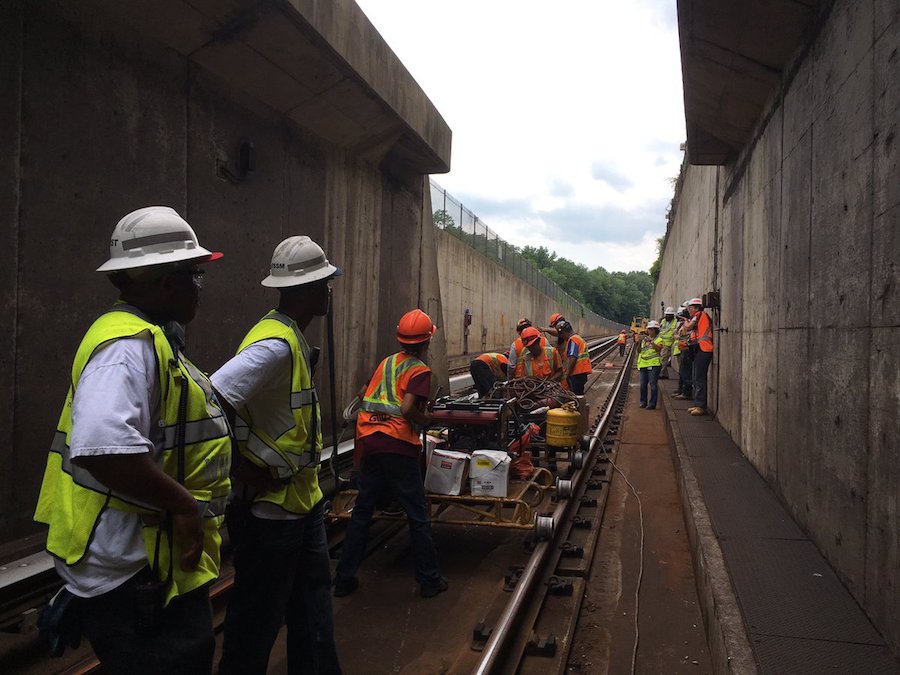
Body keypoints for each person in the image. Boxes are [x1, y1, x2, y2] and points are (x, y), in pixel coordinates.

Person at [34, 207, 230, 674]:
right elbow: (103, 446)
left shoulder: (151, 339)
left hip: (147, 558)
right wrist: (183, 506)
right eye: (194, 274)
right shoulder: (127, 347)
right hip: (134, 567)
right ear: (165, 283)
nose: (199, 286)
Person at [214, 236, 342, 675]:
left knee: (312, 615)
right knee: (255, 623)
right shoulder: (275, 346)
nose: (329, 291)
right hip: (270, 515)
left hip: (300, 505)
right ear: (308, 289)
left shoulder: (287, 335)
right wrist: (239, 467)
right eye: (325, 283)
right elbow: (211, 402)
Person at [334, 309, 447, 599]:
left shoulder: (386, 363)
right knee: (416, 513)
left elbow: (363, 393)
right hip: (397, 444)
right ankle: (429, 580)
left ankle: (343, 579)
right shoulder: (419, 370)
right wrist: (427, 420)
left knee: (362, 511)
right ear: (426, 341)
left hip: (369, 441)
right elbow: (408, 409)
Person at [684, 297, 714, 415]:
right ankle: (697, 404)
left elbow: (688, 327)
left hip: (704, 349)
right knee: (697, 377)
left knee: (700, 378)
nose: (689, 310)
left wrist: (685, 321)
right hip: (700, 349)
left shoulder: (699, 314)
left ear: (696, 308)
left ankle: (701, 406)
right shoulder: (699, 316)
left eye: (690, 308)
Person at [556, 321, 592, 394]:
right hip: (581, 372)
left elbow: (573, 357)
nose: (562, 337)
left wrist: (567, 374)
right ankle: (581, 404)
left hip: (576, 374)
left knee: (575, 395)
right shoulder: (578, 338)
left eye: (562, 335)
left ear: (564, 332)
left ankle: (579, 405)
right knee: (579, 394)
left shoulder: (573, 340)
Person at [637, 320, 664, 409]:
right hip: (643, 364)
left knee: (652, 384)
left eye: (652, 329)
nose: (650, 331)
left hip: (654, 364)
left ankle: (652, 404)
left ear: (656, 330)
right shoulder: (644, 340)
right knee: (642, 384)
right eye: (649, 329)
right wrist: (639, 342)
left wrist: (652, 342)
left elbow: (658, 349)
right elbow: (639, 351)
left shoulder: (659, 339)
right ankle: (643, 402)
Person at [657, 306, 678, 378]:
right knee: (663, 359)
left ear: (672, 315)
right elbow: (660, 330)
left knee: (663, 359)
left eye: (669, 315)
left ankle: (661, 374)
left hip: (669, 343)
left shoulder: (676, 322)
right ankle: (665, 375)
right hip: (661, 342)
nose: (668, 316)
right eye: (667, 315)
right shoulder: (663, 321)